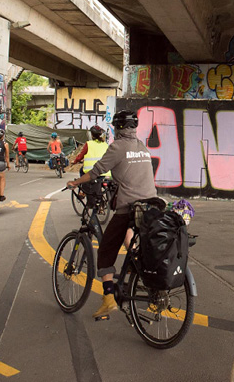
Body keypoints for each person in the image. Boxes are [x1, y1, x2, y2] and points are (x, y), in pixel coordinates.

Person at [66, 110, 157, 318]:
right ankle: (137, 271)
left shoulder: (117, 147)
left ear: (119, 128)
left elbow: (96, 171)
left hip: (130, 207)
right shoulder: (142, 147)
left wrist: (75, 182)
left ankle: (108, 299)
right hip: (150, 205)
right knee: (131, 239)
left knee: (105, 250)